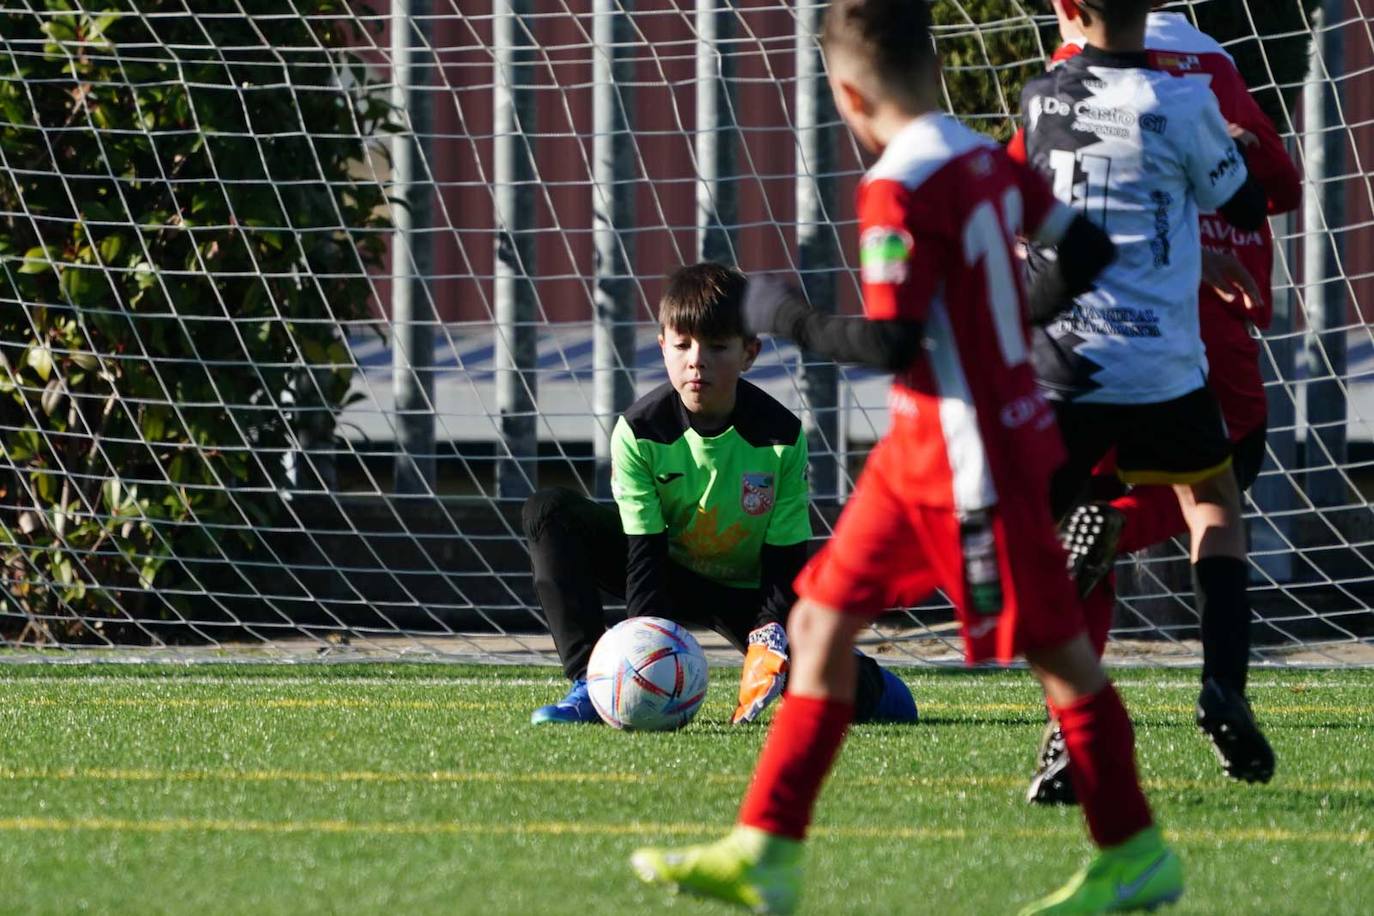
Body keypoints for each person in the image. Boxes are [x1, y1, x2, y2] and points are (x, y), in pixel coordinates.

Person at [630, 3, 1181, 913]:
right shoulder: (987, 159)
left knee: (1058, 654)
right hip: (931, 447)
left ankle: (1135, 849)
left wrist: (781, 316)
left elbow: (889, 344)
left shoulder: (896, 187)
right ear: (932, 66)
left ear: (847, 93)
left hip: (970, 460)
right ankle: (765, 848)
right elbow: (1083, 250)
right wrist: (1001, 326)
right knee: (816, 624)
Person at [1015, 0, 1284, 802]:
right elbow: (1243, 201)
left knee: (1055, 544)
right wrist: (1233, 150)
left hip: (1064, 366)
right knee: (1214, 506)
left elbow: (1074, 218)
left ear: (1065, 9)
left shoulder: (1039, 100)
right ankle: (1223, 687)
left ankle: (1070, 729)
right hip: (1163, 368)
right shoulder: (1187, 101)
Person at [524, 261, 917, 727]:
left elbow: (786, 556)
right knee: (548, 512)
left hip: (747, 592)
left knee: (850, 701)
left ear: (749, 353)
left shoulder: (780, 437)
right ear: (662, 347)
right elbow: (643, 553)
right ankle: (590, 685)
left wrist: (770, 635)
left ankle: (873, 684)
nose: (697, 360)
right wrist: (644, 655)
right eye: (683, 344)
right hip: (667, 571)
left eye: (716, 346)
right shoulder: (638, 432)